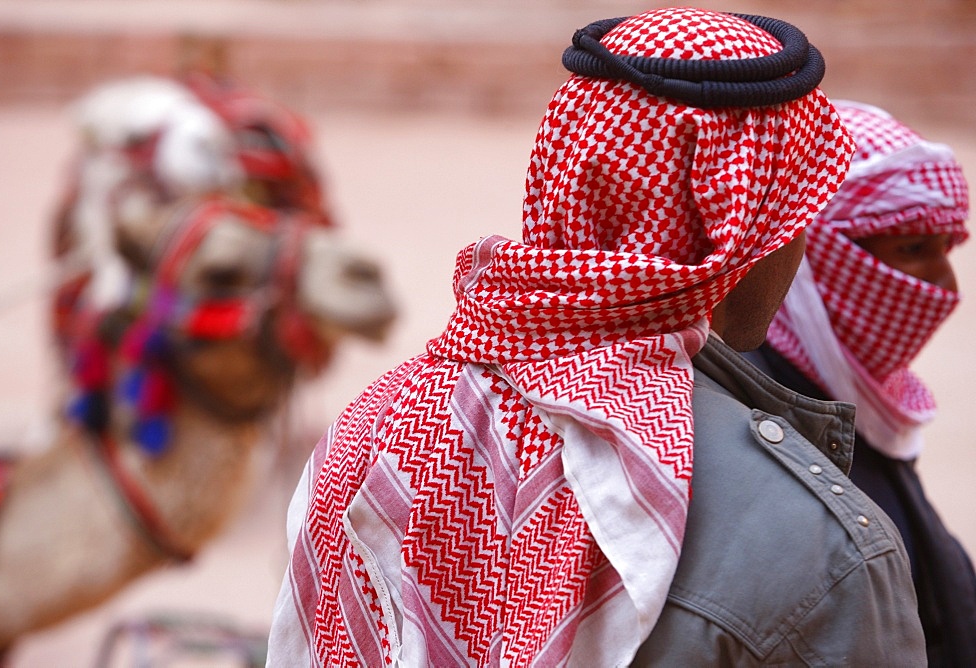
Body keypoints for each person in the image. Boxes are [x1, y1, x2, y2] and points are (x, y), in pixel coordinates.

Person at [266, 8, 925, 665]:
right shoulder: (819, 549)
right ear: (742, 226)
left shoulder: (358, 439)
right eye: (794, 210)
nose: (798, 243)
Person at [747, 100, 976, 666]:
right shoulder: (763, 420)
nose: (944, 286)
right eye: (912, 250)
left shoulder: (855, 400)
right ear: (816, 251)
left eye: (946, 250)